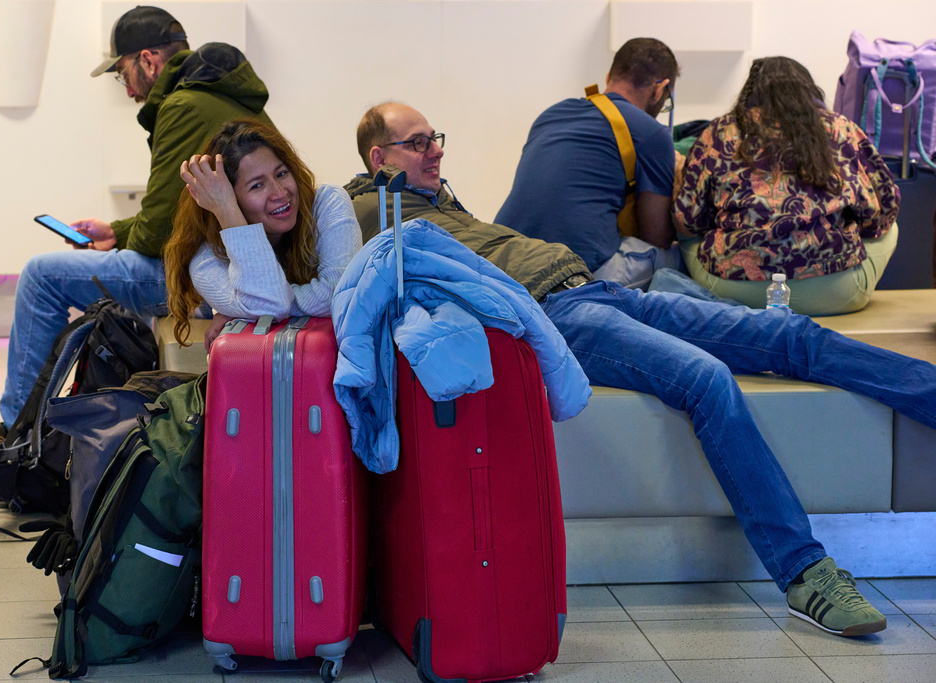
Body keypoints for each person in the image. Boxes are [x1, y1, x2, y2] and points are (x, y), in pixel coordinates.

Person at [347, 102, 936, 638]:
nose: (437, 150)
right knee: (706, 378)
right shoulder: (372, 208)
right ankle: (805, 571)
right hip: (559, 316)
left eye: (436, 137)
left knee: (787, 333)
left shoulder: (433, 202)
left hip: (595, 292)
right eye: (419, 142)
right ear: (380, 158)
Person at [0, 5, 273, 481]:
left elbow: (158, 236)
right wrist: (115, 232)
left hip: (204, 277)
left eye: (123, 73)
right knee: (66, 270)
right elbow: (178, 208)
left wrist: (128, 235)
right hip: (237, 264)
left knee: (41, 275)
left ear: (150, 60)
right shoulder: (224, 97)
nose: (129, 88)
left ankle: (10, 442)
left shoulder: (181, 106)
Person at [674, 56, 900, 315]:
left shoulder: (720, 132)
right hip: (836, 292)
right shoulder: (840, 128)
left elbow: (688, 218)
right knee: (890, 228)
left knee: (686, 236)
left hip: (735, 291)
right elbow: (884, 207)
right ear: (809, 90)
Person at [495, 37, 681, 289]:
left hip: (504, 261)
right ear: (660, 89)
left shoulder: (551, 114)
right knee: (675, 257)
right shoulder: (652, 133)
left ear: (608, 78)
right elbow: (654, 236)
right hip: (573, 275)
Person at [163, 118, 361, 348]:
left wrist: (244, 311)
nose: (279, 192)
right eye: (257, 185)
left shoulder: (327, 203)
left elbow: (340, 294)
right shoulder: (206, 258)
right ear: (228, 197)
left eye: (281, 174)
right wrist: (229, 214)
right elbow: (270, 305)